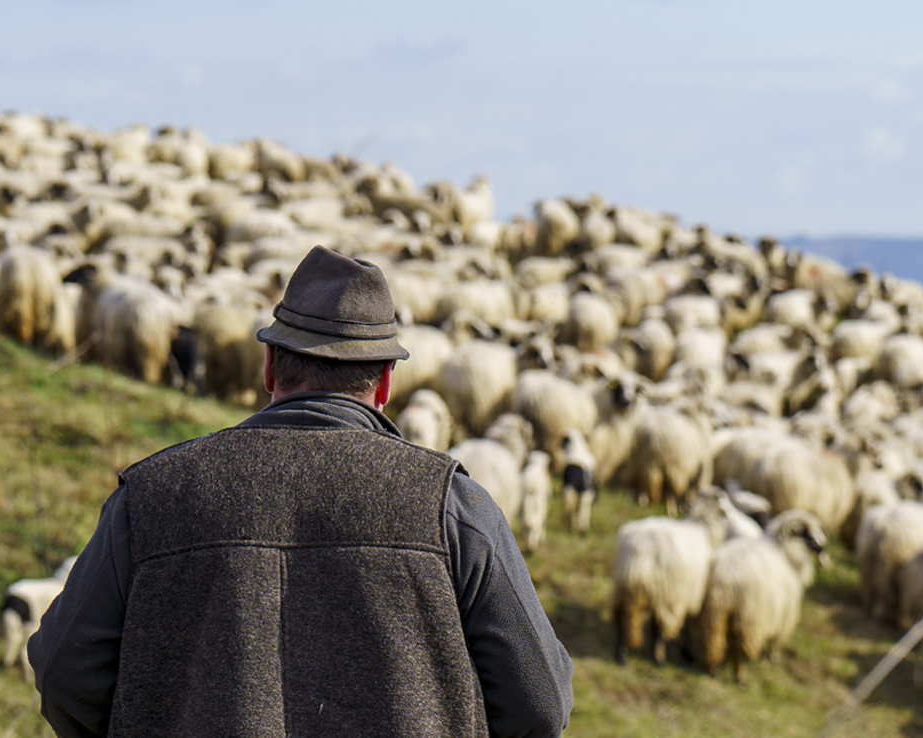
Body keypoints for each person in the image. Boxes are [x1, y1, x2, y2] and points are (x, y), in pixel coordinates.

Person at [29, 245, 573, 737]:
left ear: (268, 366)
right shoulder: (452, 508)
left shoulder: (152, 496)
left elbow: (64, 674)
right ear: (385, 382)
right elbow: (540, 703)